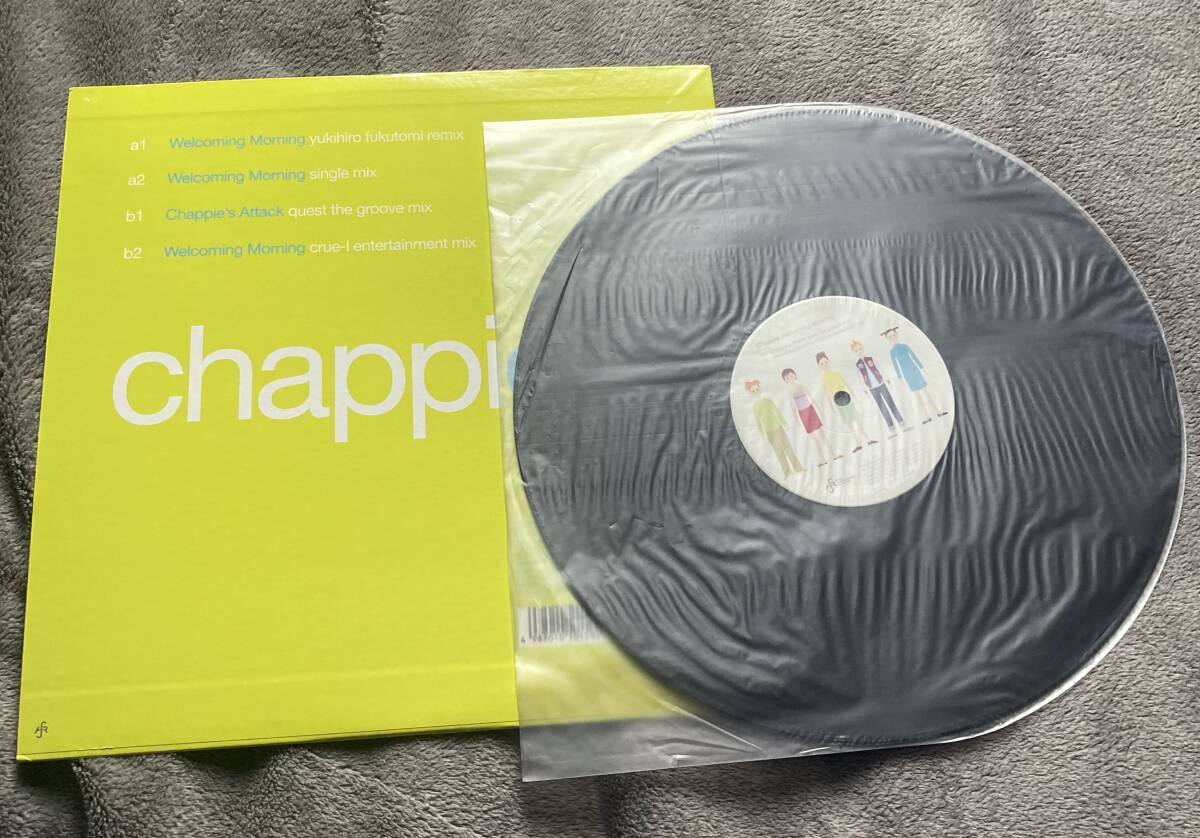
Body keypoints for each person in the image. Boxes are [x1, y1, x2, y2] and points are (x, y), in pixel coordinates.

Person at [884, 327, 948, 423]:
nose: (893, 338)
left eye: (894, 335)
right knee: (917, 395)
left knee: (926, 392)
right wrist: (900, 377)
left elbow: (914, 357)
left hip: (915, 370)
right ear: (888, 339)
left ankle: (937, 411)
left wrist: (922, 368)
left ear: (897, 335)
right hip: (907, 374)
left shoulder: (905, 346)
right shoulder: (892, 352)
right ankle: (926, 416)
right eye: (890, 337)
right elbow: (895, 365)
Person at [815, 352, 875, 452]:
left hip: (845, 396)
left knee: (856, 418)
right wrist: (831, 406)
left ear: (829, 361)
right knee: (849, 422)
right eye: (822, 364)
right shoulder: (824, 378)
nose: (824, 365)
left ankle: (868, 439)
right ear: (819, 366)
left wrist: (854, 396)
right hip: (837, 400)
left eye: (825, 362)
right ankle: (858, 443)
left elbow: (846, 384)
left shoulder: (836, 373)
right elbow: (827, 392)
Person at [744, 380, 804, 477]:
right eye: (753, 391)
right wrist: (761, 432)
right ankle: (787, 472)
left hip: (778, 427)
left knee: (787, 447)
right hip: (769, 431)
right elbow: (758, 421)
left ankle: (798, 467)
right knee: (778, 450)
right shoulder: (755, 407)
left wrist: (784, 424)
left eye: (757, 389)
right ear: (751, 393)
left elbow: (777, 413)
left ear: (760, 389)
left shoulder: (768, 401)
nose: (756, 392)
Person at [850, 339, 907, 438]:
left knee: (890, 403)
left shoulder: (871, 359)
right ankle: (892, 429)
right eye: (856, 350)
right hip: (872, 388)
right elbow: (860, 378)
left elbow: (880, 368)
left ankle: (902, 424)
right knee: (883, 408)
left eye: (860, 349)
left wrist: (886, 378)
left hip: (881, 383)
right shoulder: (857, 365)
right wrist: (865, 390)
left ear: (863, 348)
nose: (859, 351)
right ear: (854, 352)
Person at [781, 368, 838, 466]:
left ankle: (833, 454)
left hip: (811, 410)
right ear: (785, 380)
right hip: (802, 413)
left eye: (791, 375)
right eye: (787, 377)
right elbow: (792, 406)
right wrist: (796, 419)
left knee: (822, 434)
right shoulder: (790, 391)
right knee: (814, 438)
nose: (790, 378)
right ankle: (822, 459)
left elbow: (811, 398)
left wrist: (819, 410)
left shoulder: (802, 386)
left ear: (795, 375)